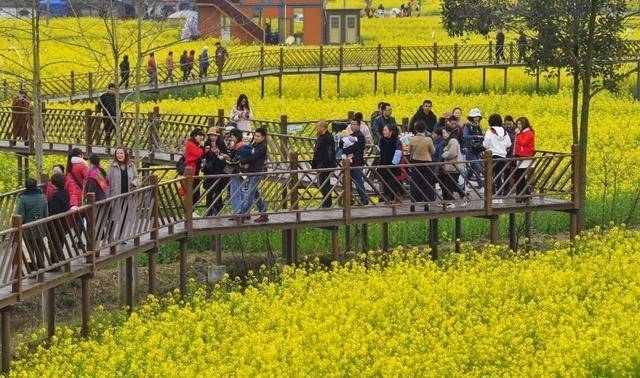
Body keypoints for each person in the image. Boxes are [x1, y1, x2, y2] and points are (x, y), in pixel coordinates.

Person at [17, 178, 49, 270]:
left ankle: (31, 270)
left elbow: (20, 215)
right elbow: (46, 214)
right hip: (40, 227)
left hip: (27, 229)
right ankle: (41, 267)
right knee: (40, 247)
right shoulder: (42, 197)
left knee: (29, 249)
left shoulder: (23, 198)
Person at [239, 128, 268, 222]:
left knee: (249, 195)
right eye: (255, 136)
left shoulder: (263, 147)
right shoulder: (256, 144)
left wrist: (243, 161)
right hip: (251, 172)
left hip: (256, 172)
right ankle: (264, 214)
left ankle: (242, 214)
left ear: (263, 137)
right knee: (256, 195)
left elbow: (254, 156)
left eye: (258, 136)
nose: (255, 138)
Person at [483, 114, 512, 203]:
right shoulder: (505, 132)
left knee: (490, 176)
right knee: (498, 176)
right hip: (502, 156)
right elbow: (509, 144)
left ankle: (492, 196)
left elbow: (486, 144)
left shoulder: (490, 131)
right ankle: (499, 197)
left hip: (492, 156)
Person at [407, 122, 436, 212]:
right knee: (426, 183)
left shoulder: (412, 139)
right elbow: (433, 151)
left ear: (416, 129)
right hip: (426, 163)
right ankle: (426, 204)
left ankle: (413, 204)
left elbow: (409, 151)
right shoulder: (428, 139)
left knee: (415, 183)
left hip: (415, 163)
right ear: (425, 129)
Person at [341, 119, 369, 205]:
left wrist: (345, 150)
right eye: (351, 124)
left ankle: (364, 200)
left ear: (359, 125)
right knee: (347, 181)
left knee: (358, 181)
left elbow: (355, 148)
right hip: (349, 162)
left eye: (354, 124)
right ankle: (349, 200)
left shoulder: (360, 136)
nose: (352, 126)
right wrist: (341, 140)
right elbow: (342, 146)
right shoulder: (351, 135)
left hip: (357, 162)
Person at [202, 126, 229, 216]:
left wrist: (218, 152)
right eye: (211, 135)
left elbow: (225, 156)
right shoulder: (206, 143)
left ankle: (218, 210)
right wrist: (205, 152)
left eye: (214, 135)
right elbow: (202, 157)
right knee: (208, 190)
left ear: (218, 136)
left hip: (218, 170)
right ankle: (209, 211)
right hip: (209, 170)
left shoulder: (221, 144)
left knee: (217, 190)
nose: (212, 137)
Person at [311, 121, 337, 208]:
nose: (316, 128)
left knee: (325, 184)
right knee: (322, 184)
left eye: (317, 126)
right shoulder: (321, 136)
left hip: (325, 165)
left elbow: (330, 152)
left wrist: (324, 164)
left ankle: (327, 204)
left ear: (323, 127)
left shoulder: (328, 137)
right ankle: (326, 202)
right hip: (320, 164)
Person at [47, 172, 70, 266]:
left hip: (55, 223)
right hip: (63, 222)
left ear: (53, 184)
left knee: (53, 242)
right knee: (60, 241)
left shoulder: (55, 196)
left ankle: (54, 263)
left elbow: (52, 210)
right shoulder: (66, 193)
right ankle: (59, 260)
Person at [440, 127, 467, 208]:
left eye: (444, 133)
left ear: (449, 133)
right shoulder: (448, 141)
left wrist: (444, 154)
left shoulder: (453, 141)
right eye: (442, 133)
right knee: (449, 184)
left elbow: (452, 153)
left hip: (454, 167)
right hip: (449, 167)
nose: (443, 135)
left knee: (453, 184)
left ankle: (463, 196)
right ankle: (451, 202)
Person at [377, 125, 404, 203]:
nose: (383, 132)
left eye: (385, 130)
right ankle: (387, 198)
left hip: (392, 165)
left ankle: (394, 198)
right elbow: (381, 151)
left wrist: (394, 163)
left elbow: (398, 152)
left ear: (391, 131)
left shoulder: (396, 141)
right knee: (385, 182)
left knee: (392, 182)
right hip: (383, 164)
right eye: (383, 130)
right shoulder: (382, 140)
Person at [180, 128, 205, 204]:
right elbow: (197, 154)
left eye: (202, 136)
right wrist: (201, 147)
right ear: (194, 136)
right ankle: (190, 210)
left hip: (195, 170)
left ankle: (192, 208)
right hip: (190, 169)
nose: (201, 137)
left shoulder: (194, 144)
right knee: (191, 189)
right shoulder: (190, 144)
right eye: (199, 136)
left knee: (195, 190)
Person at [514, 117, 535, 203]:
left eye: (520, 124)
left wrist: (518, 134)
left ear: (524, 124)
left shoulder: (529, 133)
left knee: (520, 177)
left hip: (525, 157)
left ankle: (522, 195)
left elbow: (523, 142)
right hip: (519, 156)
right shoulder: (523, 132)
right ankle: (525, 195)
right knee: (519, 177)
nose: (518, 126)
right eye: (517, 124)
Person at [226, 128, 246, 216]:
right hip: (241, 172)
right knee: (241, 190)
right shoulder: (241, 145)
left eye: (232, 136)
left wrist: (226, 158)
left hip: (236, 171)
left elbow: (235, 160)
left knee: (235, 191)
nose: (231, 138)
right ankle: (245, 210)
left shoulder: (239, 146)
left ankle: (236, 212)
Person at [463, 108, 485, 190]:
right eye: (475, 117)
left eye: (478, 117)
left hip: (477, 149)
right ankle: (481, 186)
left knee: (472, 169)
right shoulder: (467, 125)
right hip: (470, 150)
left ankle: (463, 183)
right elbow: (465, 136)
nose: (477, 118)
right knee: (477, 168)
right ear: (471, 117)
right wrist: (476, 136)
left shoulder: (479, 126)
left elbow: (483, 135)